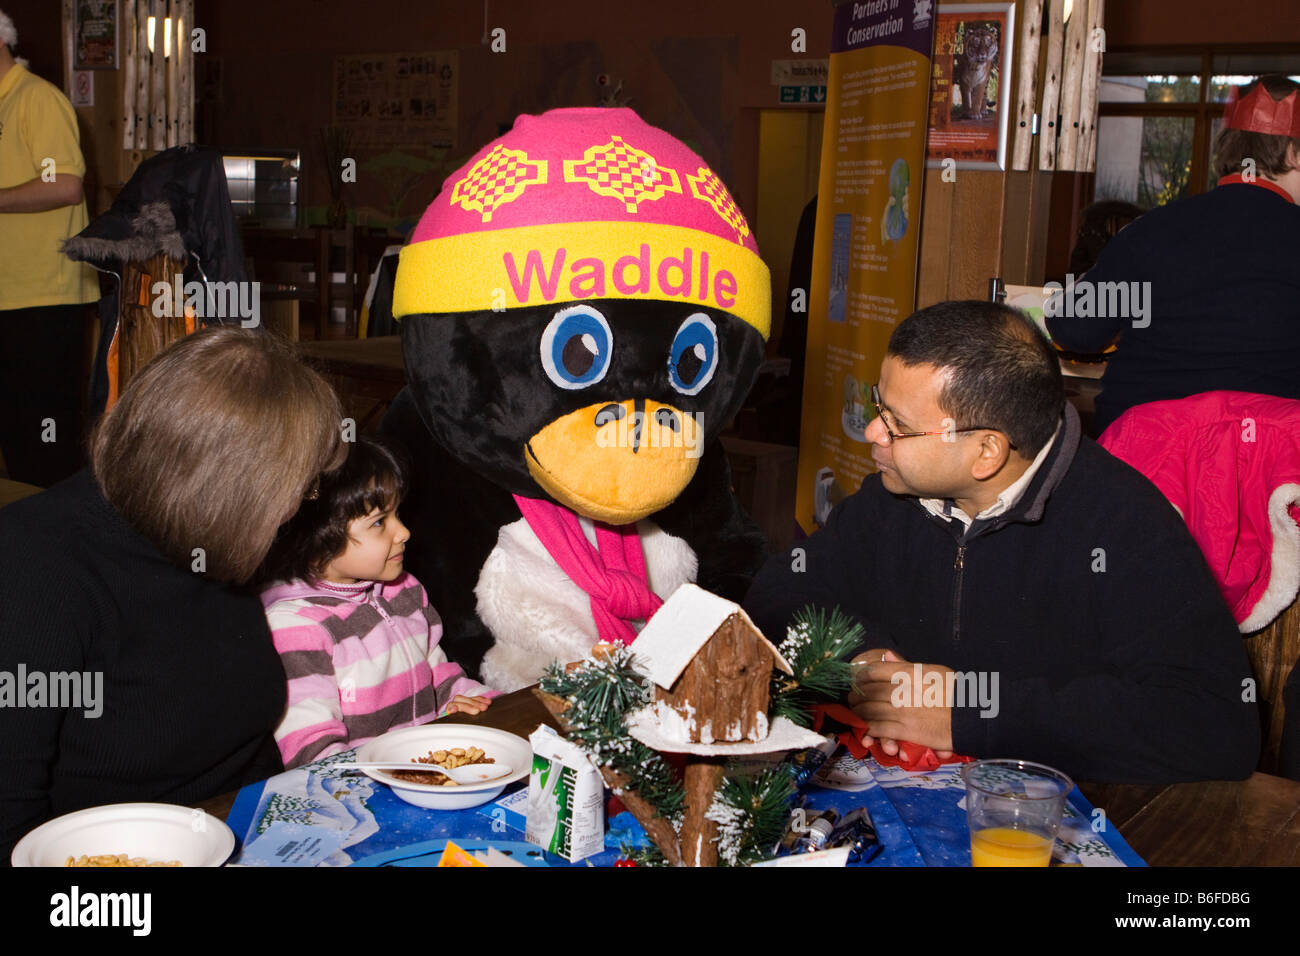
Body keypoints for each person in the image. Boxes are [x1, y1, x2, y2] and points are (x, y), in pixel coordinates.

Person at [743, 300, 1260, 784]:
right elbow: (772, 596)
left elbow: (1215, 724)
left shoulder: (1125, 525)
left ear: (986, 452)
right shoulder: (893, 498)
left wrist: (969, 712)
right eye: (881, 405)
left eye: (899, 425)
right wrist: (860, 666)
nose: (874, 431)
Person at [0, 327, 343, 860]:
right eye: (301, 486)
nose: (303, 504)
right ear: (228, 490)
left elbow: (242, 744)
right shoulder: (34, 568)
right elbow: (8, 820)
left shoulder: (211, 539)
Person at [1047, 75, 1300, 434]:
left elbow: (1076, 329)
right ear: (1293, 153)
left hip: (1143, 465)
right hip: (1269, 475)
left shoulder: (1152, 230)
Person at [260, 437, 496, 770]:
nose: (404, 532)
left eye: (397, 513)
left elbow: (439, 675)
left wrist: (481, 704)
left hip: (426, 771)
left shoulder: (404, 591)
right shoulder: (296, 627)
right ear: (318, 536)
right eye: (379, 522)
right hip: (363, 798)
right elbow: (311, 752)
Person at [0, 9, 100, 486]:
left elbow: (64, 185)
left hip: (44, 293)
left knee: (43, 443)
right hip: (9, 291)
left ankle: (59, 552)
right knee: (15, 438)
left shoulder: (35, 98)